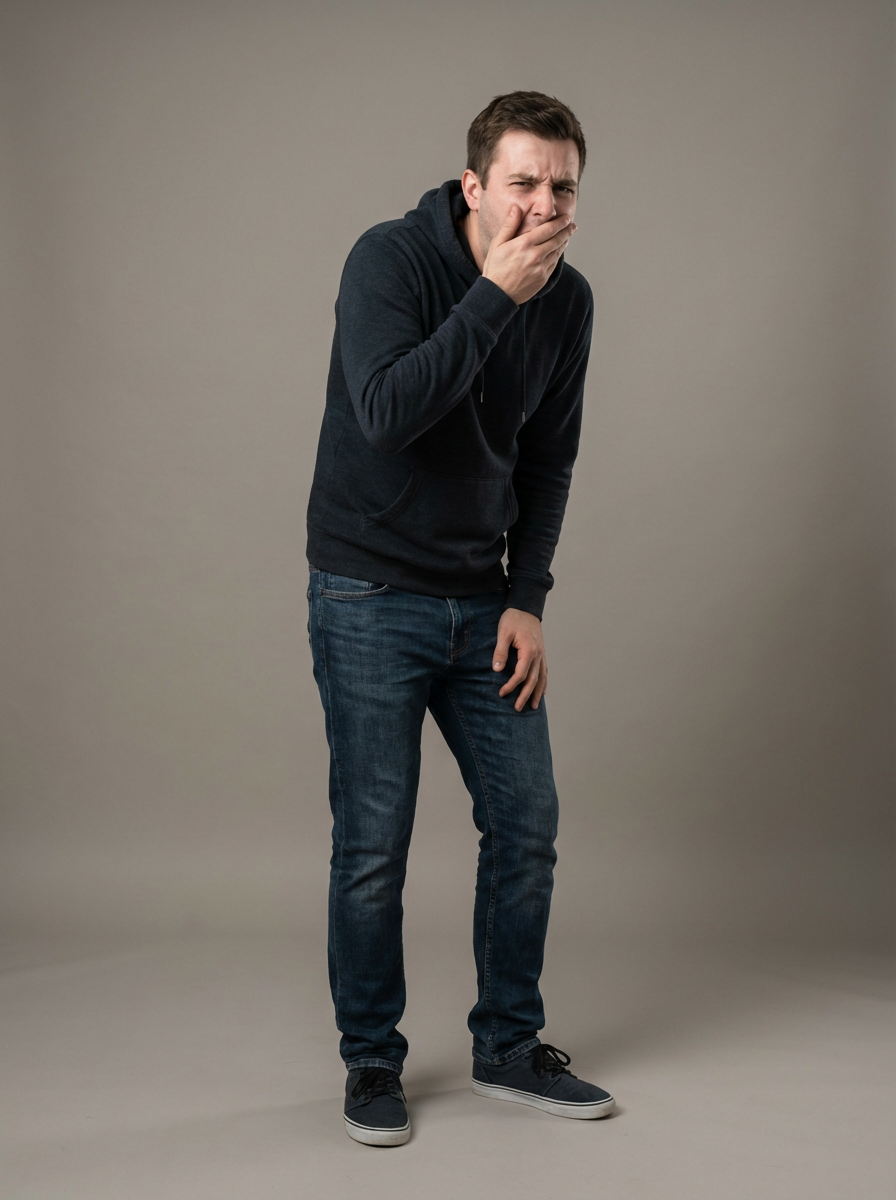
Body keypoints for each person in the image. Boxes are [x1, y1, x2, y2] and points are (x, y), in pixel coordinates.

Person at [305, 91, 615, 1146]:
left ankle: (508, 1047)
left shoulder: (568, 302)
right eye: (523, 183)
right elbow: (387, 413)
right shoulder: (388, 261)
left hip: (483, 599)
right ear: (475, 186)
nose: (544, 207)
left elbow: (548, 460)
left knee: (527, 826)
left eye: (562, 187)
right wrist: (491, 298)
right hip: (367, 593)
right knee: (372, 847)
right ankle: (370, 1062)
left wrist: (526, 597)